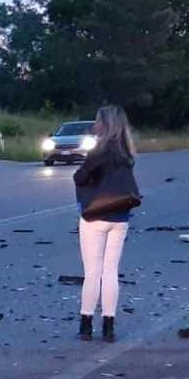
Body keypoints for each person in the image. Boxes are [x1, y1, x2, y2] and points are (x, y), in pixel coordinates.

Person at [73, 105, 140, 343]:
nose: (94, 124)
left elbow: (80, 177)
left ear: (105, 124)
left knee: (92, 273)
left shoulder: (99, 151)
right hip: (120, 218)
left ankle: (86, 324)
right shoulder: (126, 153)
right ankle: (109, 326)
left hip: (95, 216)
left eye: (97, 120)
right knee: (111, 272)